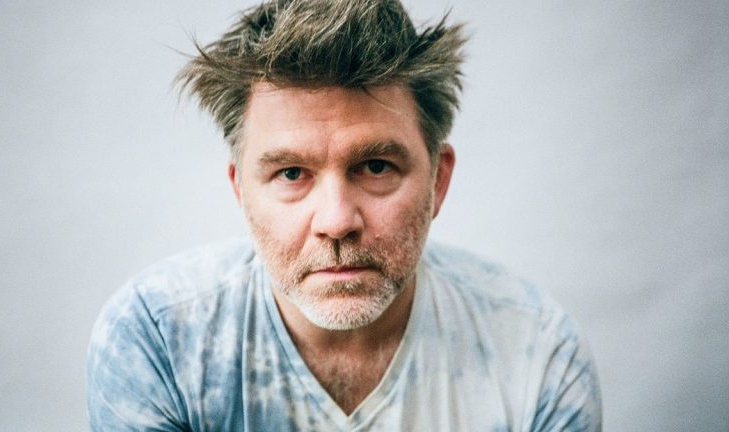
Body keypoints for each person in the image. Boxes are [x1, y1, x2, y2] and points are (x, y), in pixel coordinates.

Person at [86, 0, 602, 430]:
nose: (335, 221)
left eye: (376, 167)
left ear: (438, 181)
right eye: (291, 173)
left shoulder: (536, 351)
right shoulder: (158, 340)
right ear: (241, 191)